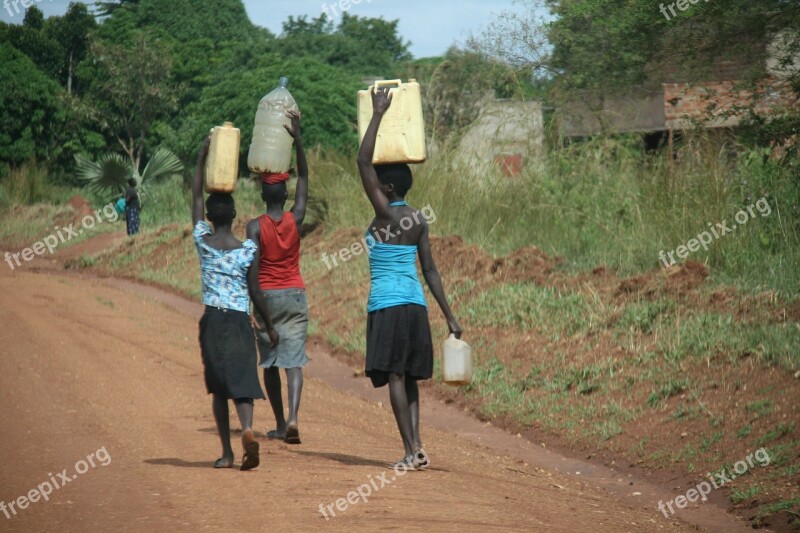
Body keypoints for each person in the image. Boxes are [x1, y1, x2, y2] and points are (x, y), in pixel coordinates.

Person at [357, 87, 463, 470]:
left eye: (378, 184)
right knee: (412, 378)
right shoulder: (418, 219)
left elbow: (362, 161)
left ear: (386, 190)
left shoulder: (385, 214)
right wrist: (449, 316)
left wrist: (378, 113)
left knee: (397, 378)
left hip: (387, 305)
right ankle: (417, 447)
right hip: (416, 306)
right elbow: (431, 270)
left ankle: (408, 451)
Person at [193, 136, 279, 471]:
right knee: (243, 380)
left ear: (210, 219)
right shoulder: (247, 250)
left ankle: (228, 453)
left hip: (213, 321)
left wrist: (201, 157)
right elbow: (256, 290)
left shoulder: (204, 242)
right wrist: (269, 326)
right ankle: (247, 429)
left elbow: (195, 198)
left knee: (218, 387)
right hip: (241, 320)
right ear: (234, 215)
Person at [247, 110, 309, 445]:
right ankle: (296, 417)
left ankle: (281, 423)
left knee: (270, 362)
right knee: (294, 361)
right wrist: (298, 141)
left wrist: (253, 307)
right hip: (295, 294)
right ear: (285, 197)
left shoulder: (254, 226)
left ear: (262, 196)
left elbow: (252, 273)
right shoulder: (296, 218)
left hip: (268, 298)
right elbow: (305, 182)